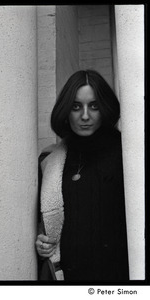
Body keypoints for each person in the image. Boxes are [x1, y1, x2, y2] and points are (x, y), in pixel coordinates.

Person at [35, 69, 129, 282]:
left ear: (104, 108)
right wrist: (42, 243)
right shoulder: (51, 161)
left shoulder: (126, 154)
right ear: (66, 111)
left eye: (93, 106)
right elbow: (45, 227)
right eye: (76, 106)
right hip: (69, 279)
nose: (85, 116)